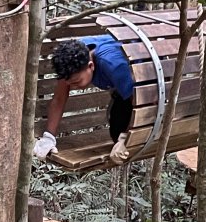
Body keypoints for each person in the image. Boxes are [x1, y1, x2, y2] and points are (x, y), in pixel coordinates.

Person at [33, 35, 134, 165]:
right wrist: (49, 137)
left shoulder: (113, 65)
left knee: (119, 134)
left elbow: (141, 100)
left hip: (144, 84)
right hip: (122, 89)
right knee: (117, 133)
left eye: (76, 82)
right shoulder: (70, 62)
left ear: (91, 66)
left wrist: (126, 137)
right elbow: (59, 98)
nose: (73, 87)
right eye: (69, 83)